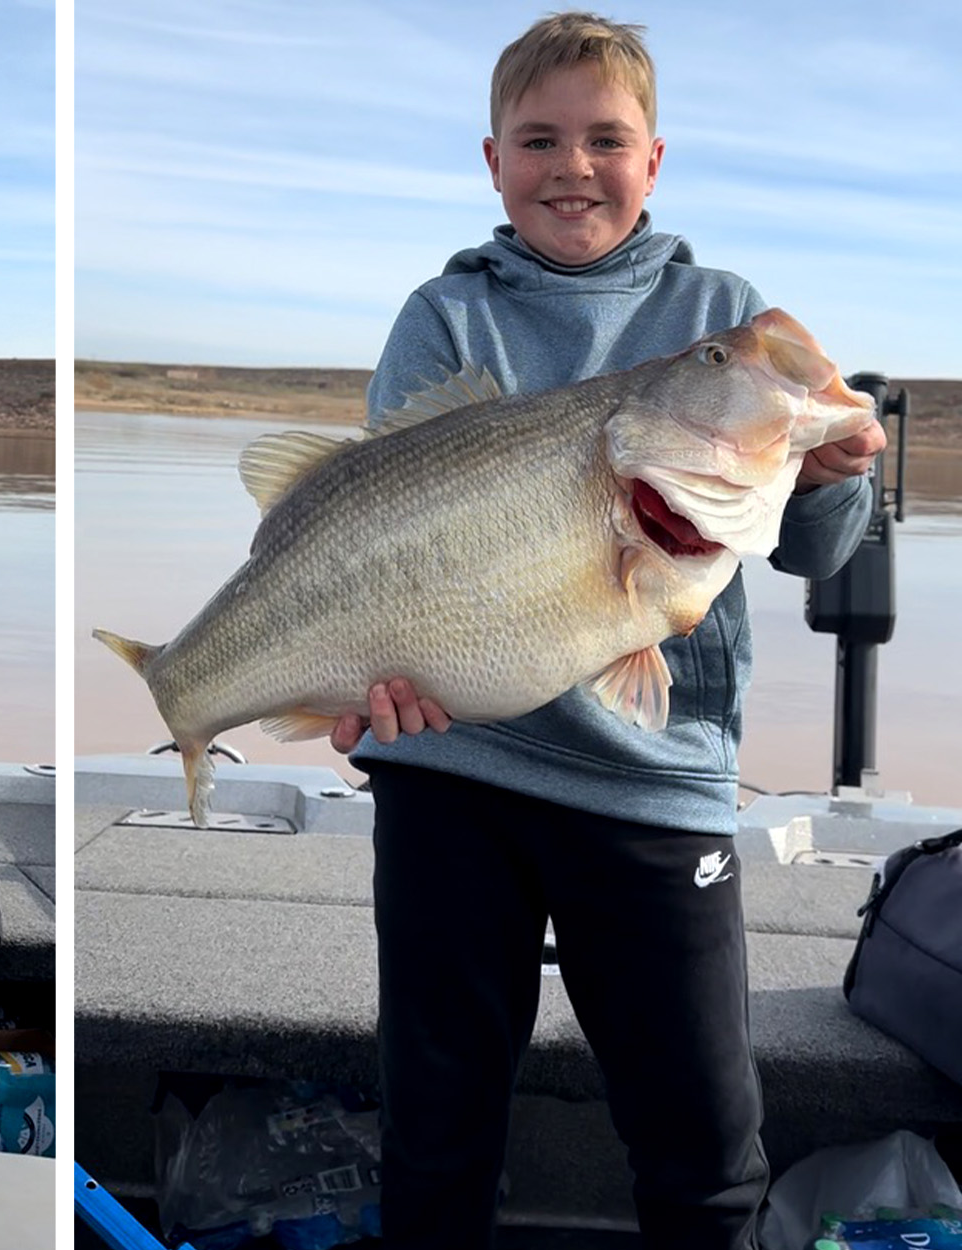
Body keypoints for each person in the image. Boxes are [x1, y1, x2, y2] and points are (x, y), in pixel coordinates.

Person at [326, 15, 887, 1249]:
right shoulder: (444, 315)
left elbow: (807, 551)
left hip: (656, 782)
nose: (570, 166)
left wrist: (836, 469)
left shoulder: (720, 309)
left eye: (604, 140)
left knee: (701, 1140)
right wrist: (362, 687)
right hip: (451, 772)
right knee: (435, 1128)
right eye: (539, 139)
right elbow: (374, 535)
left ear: (655, 158)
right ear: (491, 159)